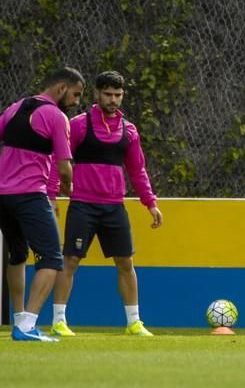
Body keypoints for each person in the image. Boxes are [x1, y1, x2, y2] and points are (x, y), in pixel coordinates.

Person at [47, 70, 163, 337]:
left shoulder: (129, 130)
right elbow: (58, 161)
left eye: (118, 95)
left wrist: (151, 203)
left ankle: (134, 322)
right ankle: (59, 321)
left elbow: (138, 171)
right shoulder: (77, 125)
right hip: (83, 204)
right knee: (70, 260)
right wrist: (51, 195)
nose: (113, 99)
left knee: (126, 263)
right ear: (97, 94)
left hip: (114, 207)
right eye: (108, 94)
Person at [0, 67, 85, 341]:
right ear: (61, 89)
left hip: (3, 195)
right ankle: (26, 327)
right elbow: (64, 168)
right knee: (51, 258)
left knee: (18, 255)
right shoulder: (56, 117)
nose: (76, 102)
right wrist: (69, 188)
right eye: (75, 95)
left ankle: (18, 318)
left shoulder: (15, 108)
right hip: (29, 196)